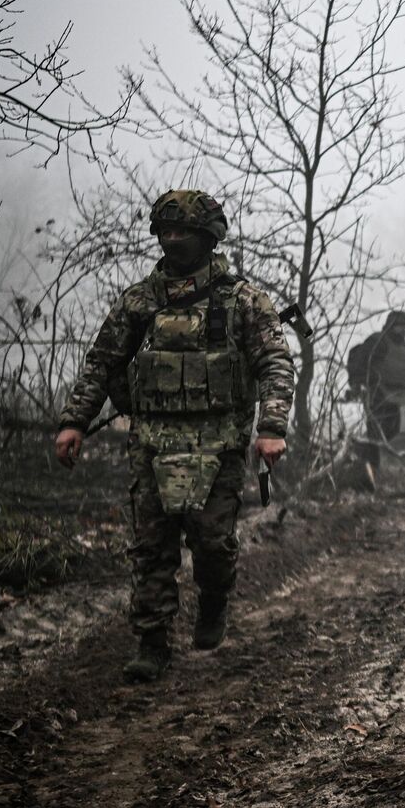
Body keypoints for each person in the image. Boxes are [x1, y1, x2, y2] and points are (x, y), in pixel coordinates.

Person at [53, 190, 295, 682]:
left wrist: (270, 427)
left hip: (219, 441)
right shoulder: (141, 301)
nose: (172, 239)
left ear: (207, 237)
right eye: (166, 232)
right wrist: (74, 421)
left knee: (212, 543)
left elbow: (275, 363)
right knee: (151, 546)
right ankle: (153, 642)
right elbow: (102, 363)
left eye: (182, 231)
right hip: (152, 440)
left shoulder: (241, 300)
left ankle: (213, 601)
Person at [353, 310, 405, 483]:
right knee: (375, 431)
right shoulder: (377, 341)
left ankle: (362, 452)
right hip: (377, 393)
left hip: (396, 395)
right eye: (401, 327)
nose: (404, 331)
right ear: (392, 326)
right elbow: (360, 362)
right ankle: (371, 469)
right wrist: (357, 384)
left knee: (393, 429)